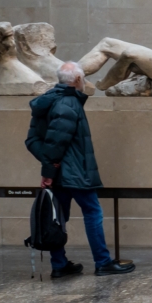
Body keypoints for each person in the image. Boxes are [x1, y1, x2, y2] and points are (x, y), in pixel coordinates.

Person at [24, 62, 135, 278]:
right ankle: (102, 262)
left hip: (60, 174)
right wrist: (50, 168)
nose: (84, 82)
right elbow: (57, 141)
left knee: (58, 218)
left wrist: (49, 168)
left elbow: (32, 140)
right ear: (76, 80)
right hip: (75, 173)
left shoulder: (49, 101)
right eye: (83, 78)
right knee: (92, 212)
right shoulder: (68, 102)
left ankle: (59, 265)